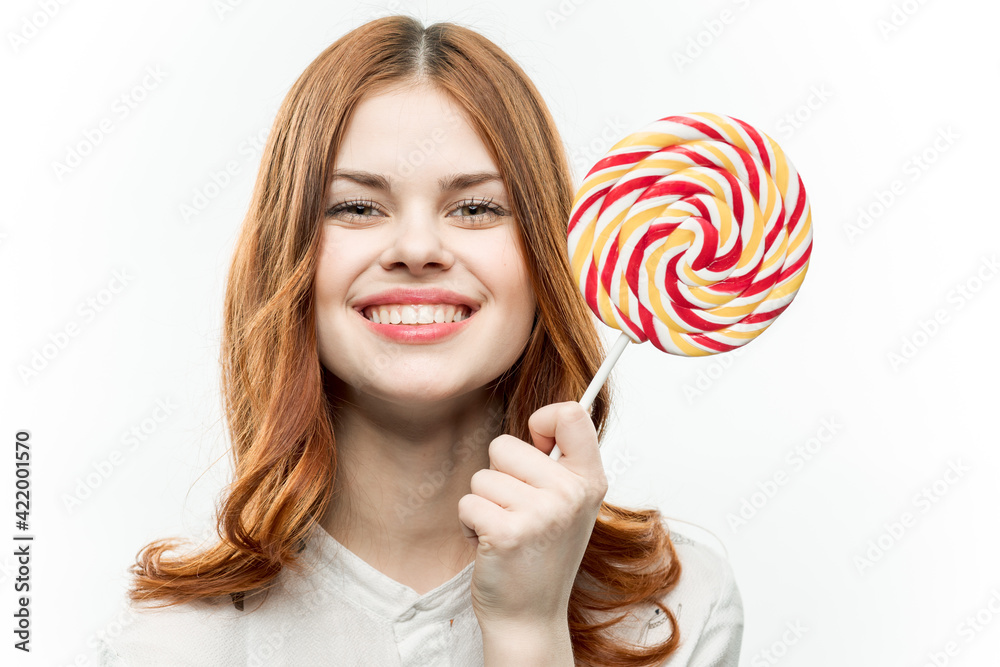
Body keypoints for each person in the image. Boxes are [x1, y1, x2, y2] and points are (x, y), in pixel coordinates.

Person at [98, 14, 743, 666]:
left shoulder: (678, 611)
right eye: (357, 206)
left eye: (475, 207)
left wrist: (529, 626)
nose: (415, 248)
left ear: (545, 258)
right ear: (289, 257)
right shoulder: (175, 642)